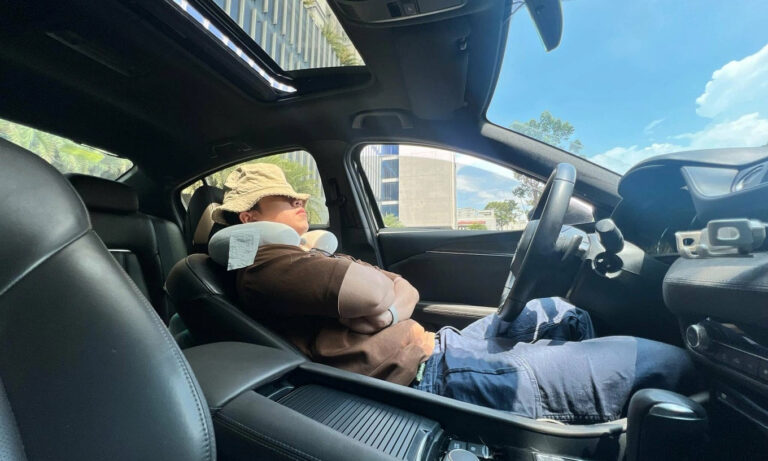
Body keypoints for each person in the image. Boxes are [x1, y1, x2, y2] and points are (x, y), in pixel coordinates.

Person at [211, 163, 697, 424]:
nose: (299, 201)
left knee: (560, 310)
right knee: (661, 362)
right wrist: (386, 303)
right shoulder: (264, 264)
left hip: (441, 347)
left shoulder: (302, 256)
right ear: (249, 217)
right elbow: (375, 292)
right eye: (283, 198)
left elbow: (404, 289)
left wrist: (387, 307)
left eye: (298, 195)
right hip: (434, 375)